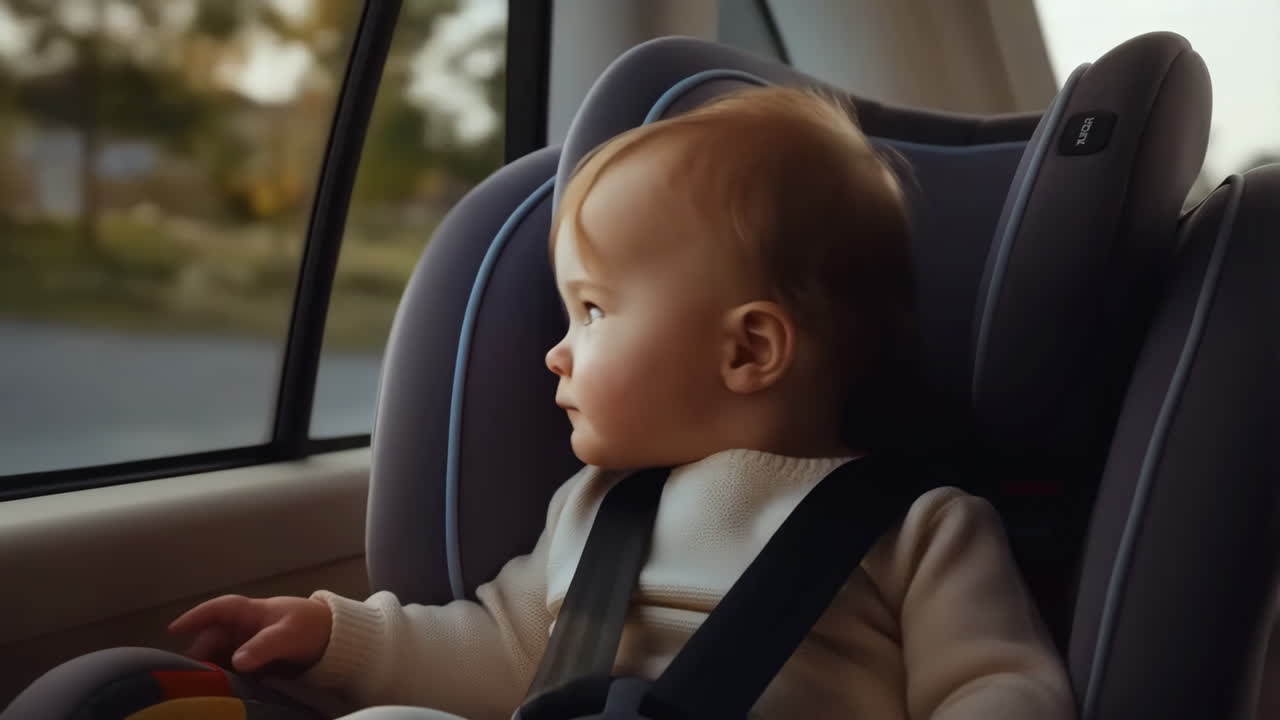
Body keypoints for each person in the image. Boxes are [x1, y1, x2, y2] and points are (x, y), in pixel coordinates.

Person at [168, 86, 1075, 720]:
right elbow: (493, 655)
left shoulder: (923, 530)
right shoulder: (594, 511)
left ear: (748, 349)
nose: (557, 350)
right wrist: (335, 633)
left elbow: (998, 688)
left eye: (593, 310)